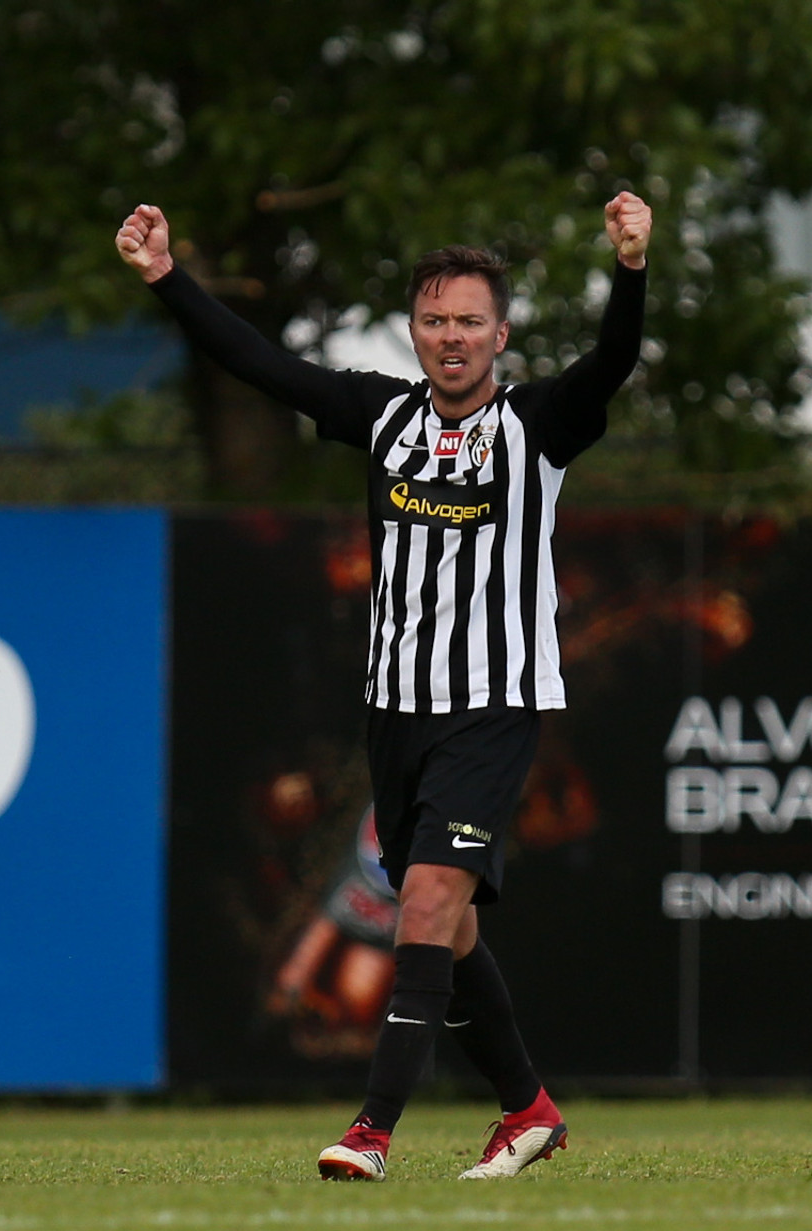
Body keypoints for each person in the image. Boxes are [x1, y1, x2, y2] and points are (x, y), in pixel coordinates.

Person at [116, 190, 651, 1180]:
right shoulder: (383, 414)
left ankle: (371, 1131)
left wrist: (630, 271)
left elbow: (612, 362)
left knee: (425, 905)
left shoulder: (536, 424)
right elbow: (260, 364)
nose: (452, 337)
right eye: (435, 320)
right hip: (396, 711)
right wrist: (166, 278)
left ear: (501, 335)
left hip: (491, 705)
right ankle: (527, 1108)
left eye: (470, 322)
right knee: (450, 930)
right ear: (415, 331)